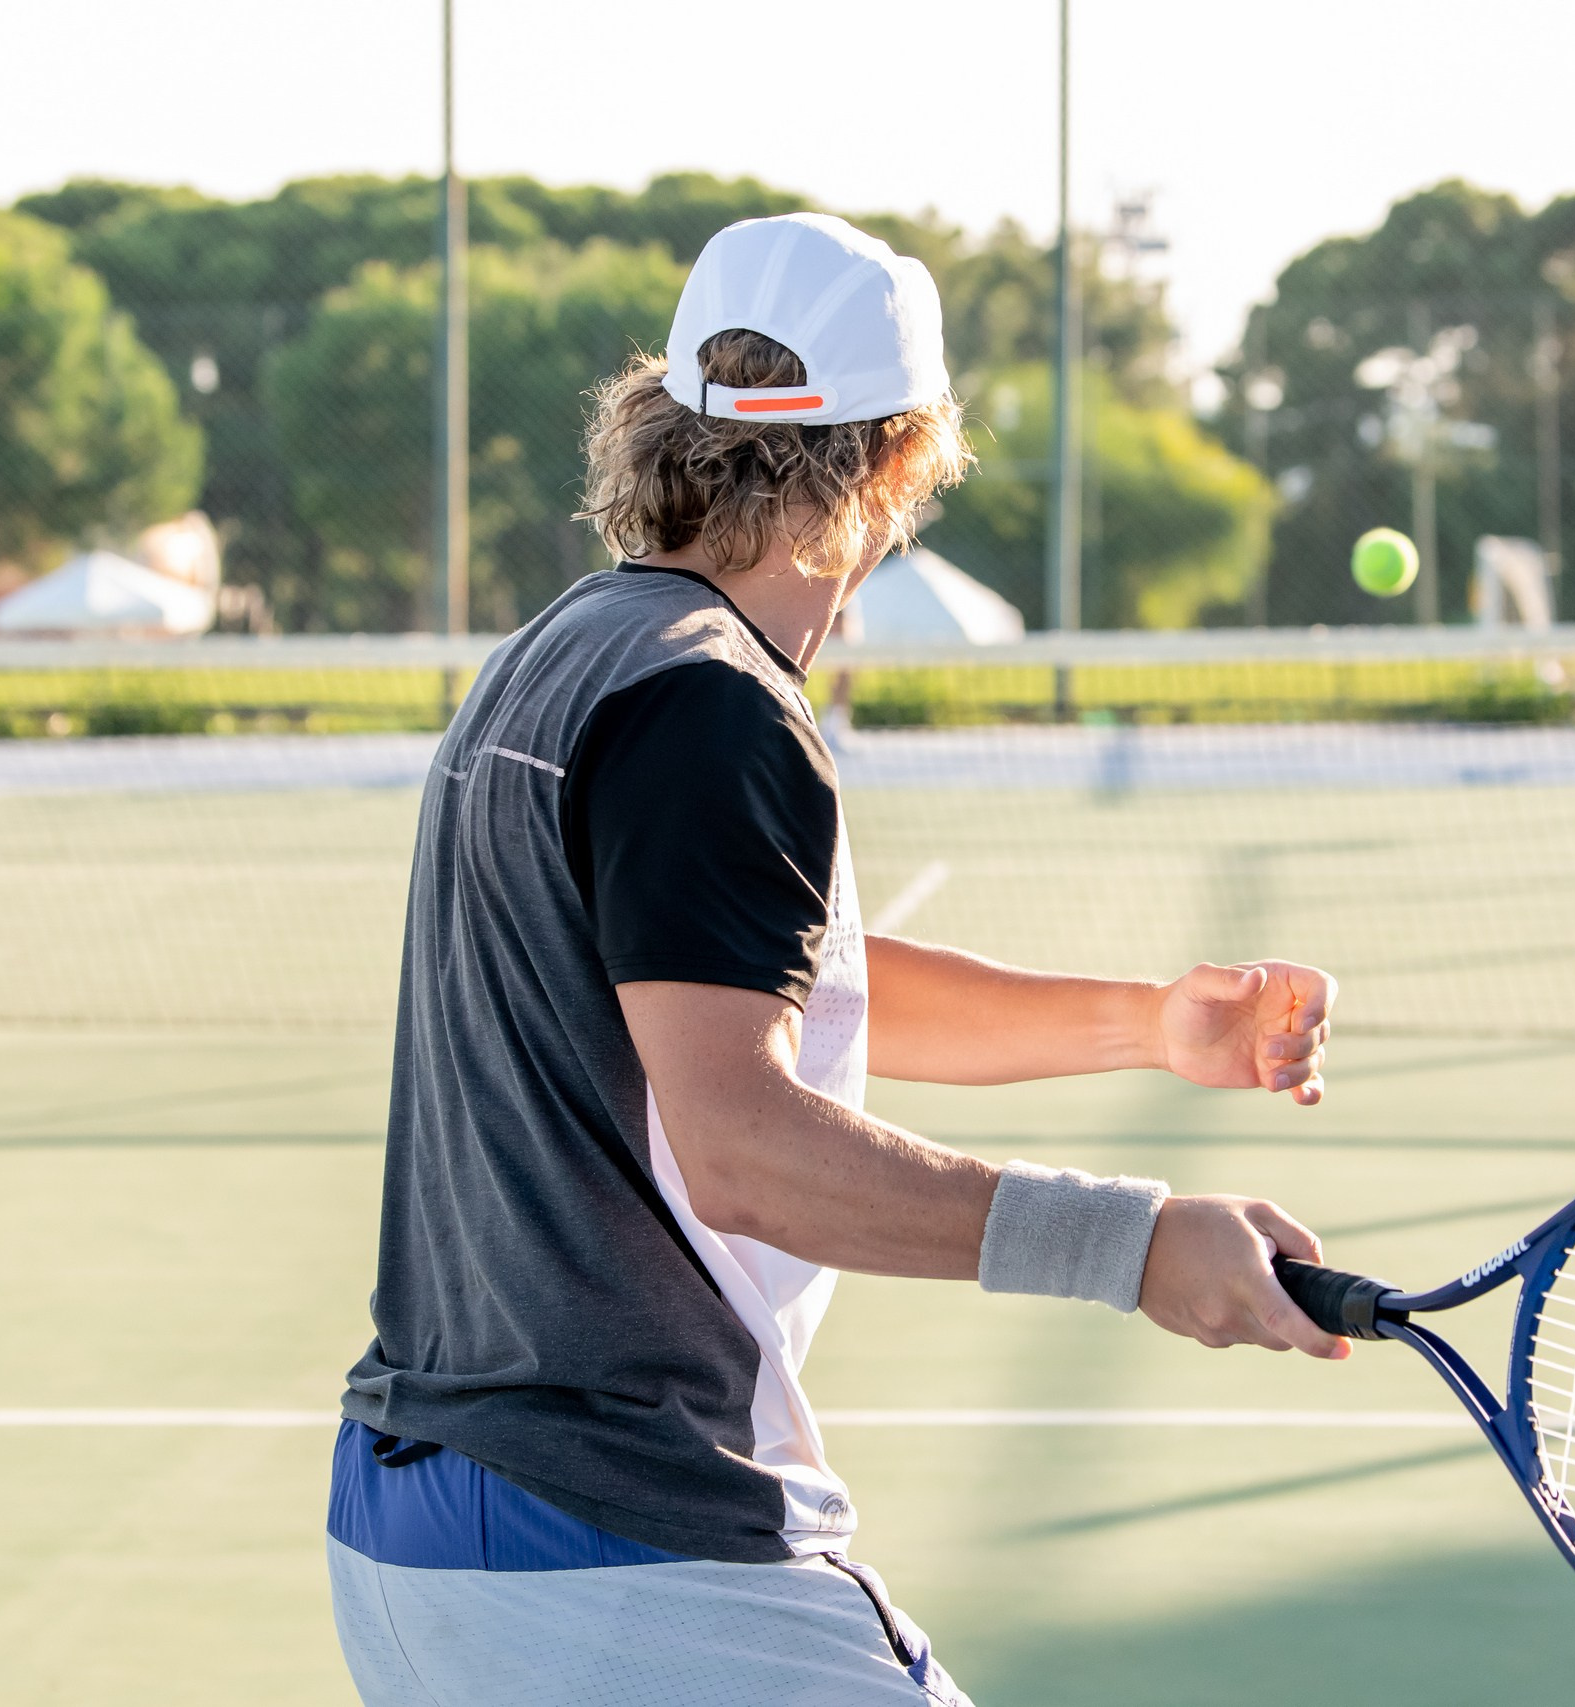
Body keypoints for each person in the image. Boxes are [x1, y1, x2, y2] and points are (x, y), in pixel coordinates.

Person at [326, 213, 1342, 1707]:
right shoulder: (710, 703)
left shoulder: (566, 654)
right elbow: (743, 1146)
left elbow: (749, 983)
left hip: (410, 1539)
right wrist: (1131, 1244)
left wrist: (1145, 1024)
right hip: (616, 1540)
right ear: (903, 457)